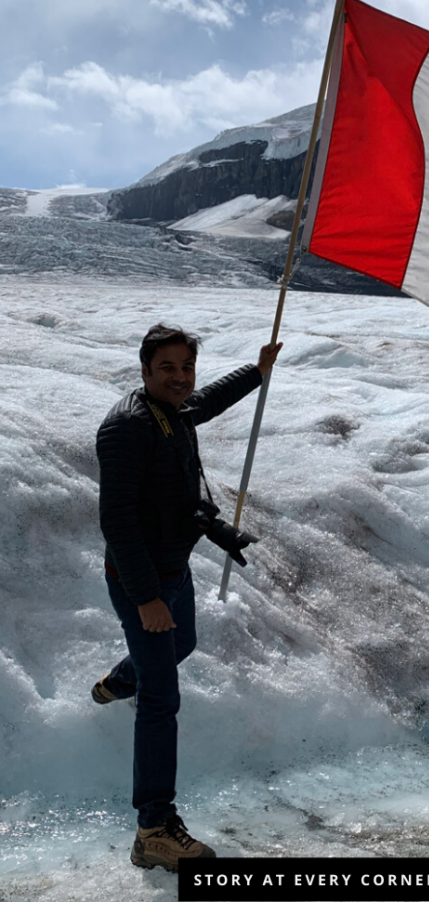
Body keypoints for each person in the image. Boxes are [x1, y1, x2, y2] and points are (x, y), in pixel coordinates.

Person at [93, 323, 282, 872]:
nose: (179, 378)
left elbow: (202, 403)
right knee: (161, 700)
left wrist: (257, 370)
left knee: (184, 644)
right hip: (142, 582)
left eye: (186, 367)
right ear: (145, 370)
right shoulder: (127, 429)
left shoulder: (169, 411)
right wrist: (147, 598)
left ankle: (115, 682)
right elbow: (118, 523)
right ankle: (153, 829)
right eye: (167, 368)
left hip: (174, 570)